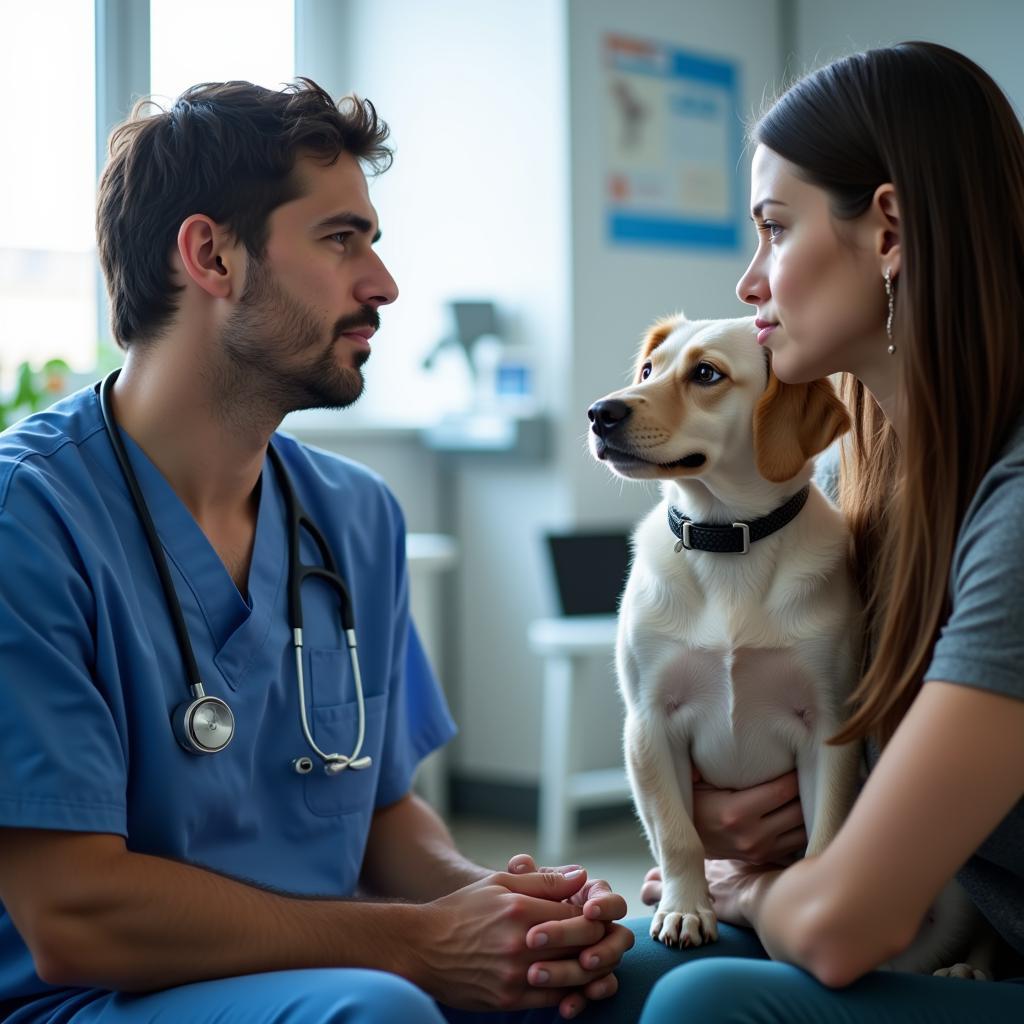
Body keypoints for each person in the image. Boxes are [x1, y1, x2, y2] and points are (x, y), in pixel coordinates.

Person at [0, 78, 648, 1024]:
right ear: (211, 254)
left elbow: (382, 813)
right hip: (98, 999)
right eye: (343, 239)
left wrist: (499, 909)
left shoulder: (355, 517)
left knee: (619, 989)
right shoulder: (30, 519)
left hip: (335, 970)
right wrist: (419, 946)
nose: (383, 282)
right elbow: (74, 915)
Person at [632, 40, 1024, 1022]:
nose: (748, 282)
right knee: (592, 966)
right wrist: (727, 824)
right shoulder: (866, 482)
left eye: (772, 229)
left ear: (887, 229)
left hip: (981, 945)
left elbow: (846, 924)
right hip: (917, 912)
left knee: (705, 999)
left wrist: (745, 890)